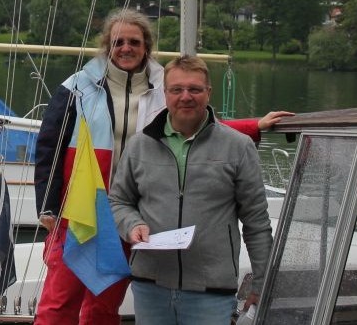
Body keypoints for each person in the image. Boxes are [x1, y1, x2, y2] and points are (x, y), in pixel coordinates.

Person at [32, 8, 290, 325]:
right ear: (106, 46)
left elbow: (199, 125)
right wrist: (47, 205)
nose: (126, 48)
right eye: (118, 42)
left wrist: (254, 125)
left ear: (146, 46)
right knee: (58, 305)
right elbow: (49, 147)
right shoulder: (77, 87)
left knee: (102, 308)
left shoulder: (163, 86)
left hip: (132, 212)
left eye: (134, 42)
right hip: (82, 209)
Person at [109, 55, 273, 324]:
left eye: (194, 89)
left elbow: (256, 222)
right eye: (177, 89)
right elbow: (119, 201)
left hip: (211, 291)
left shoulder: (238, 146)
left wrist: (262, 284)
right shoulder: (139, 145)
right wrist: (131, 224)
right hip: (150, 285)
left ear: (208, 93)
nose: (186, 96)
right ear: (166, 94)